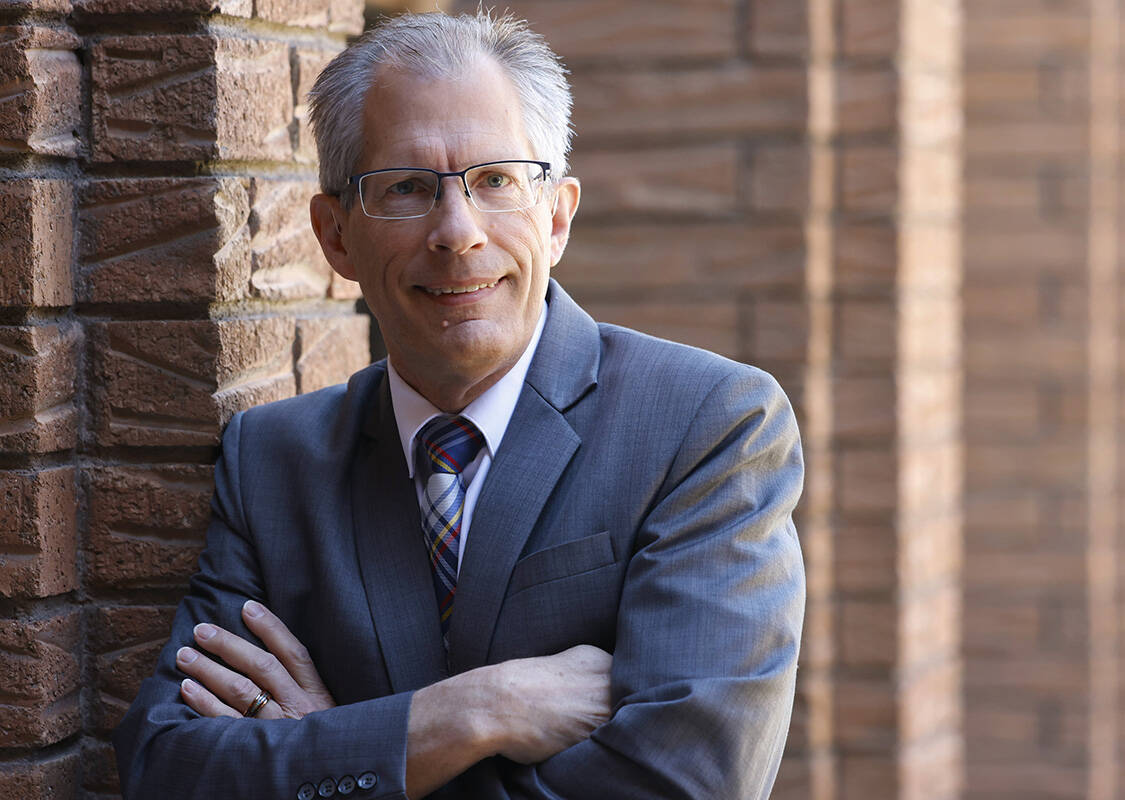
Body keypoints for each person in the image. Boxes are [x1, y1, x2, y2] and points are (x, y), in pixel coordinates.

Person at [113, 10, 805, 800]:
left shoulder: (706, 425)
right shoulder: (271, 462)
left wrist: (343, 752)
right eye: (406, 188)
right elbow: (167, 771)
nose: (457, 232)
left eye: (496, 181)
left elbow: (688, 782)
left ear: (557, 214)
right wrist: (467, 714)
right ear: (334, 236)